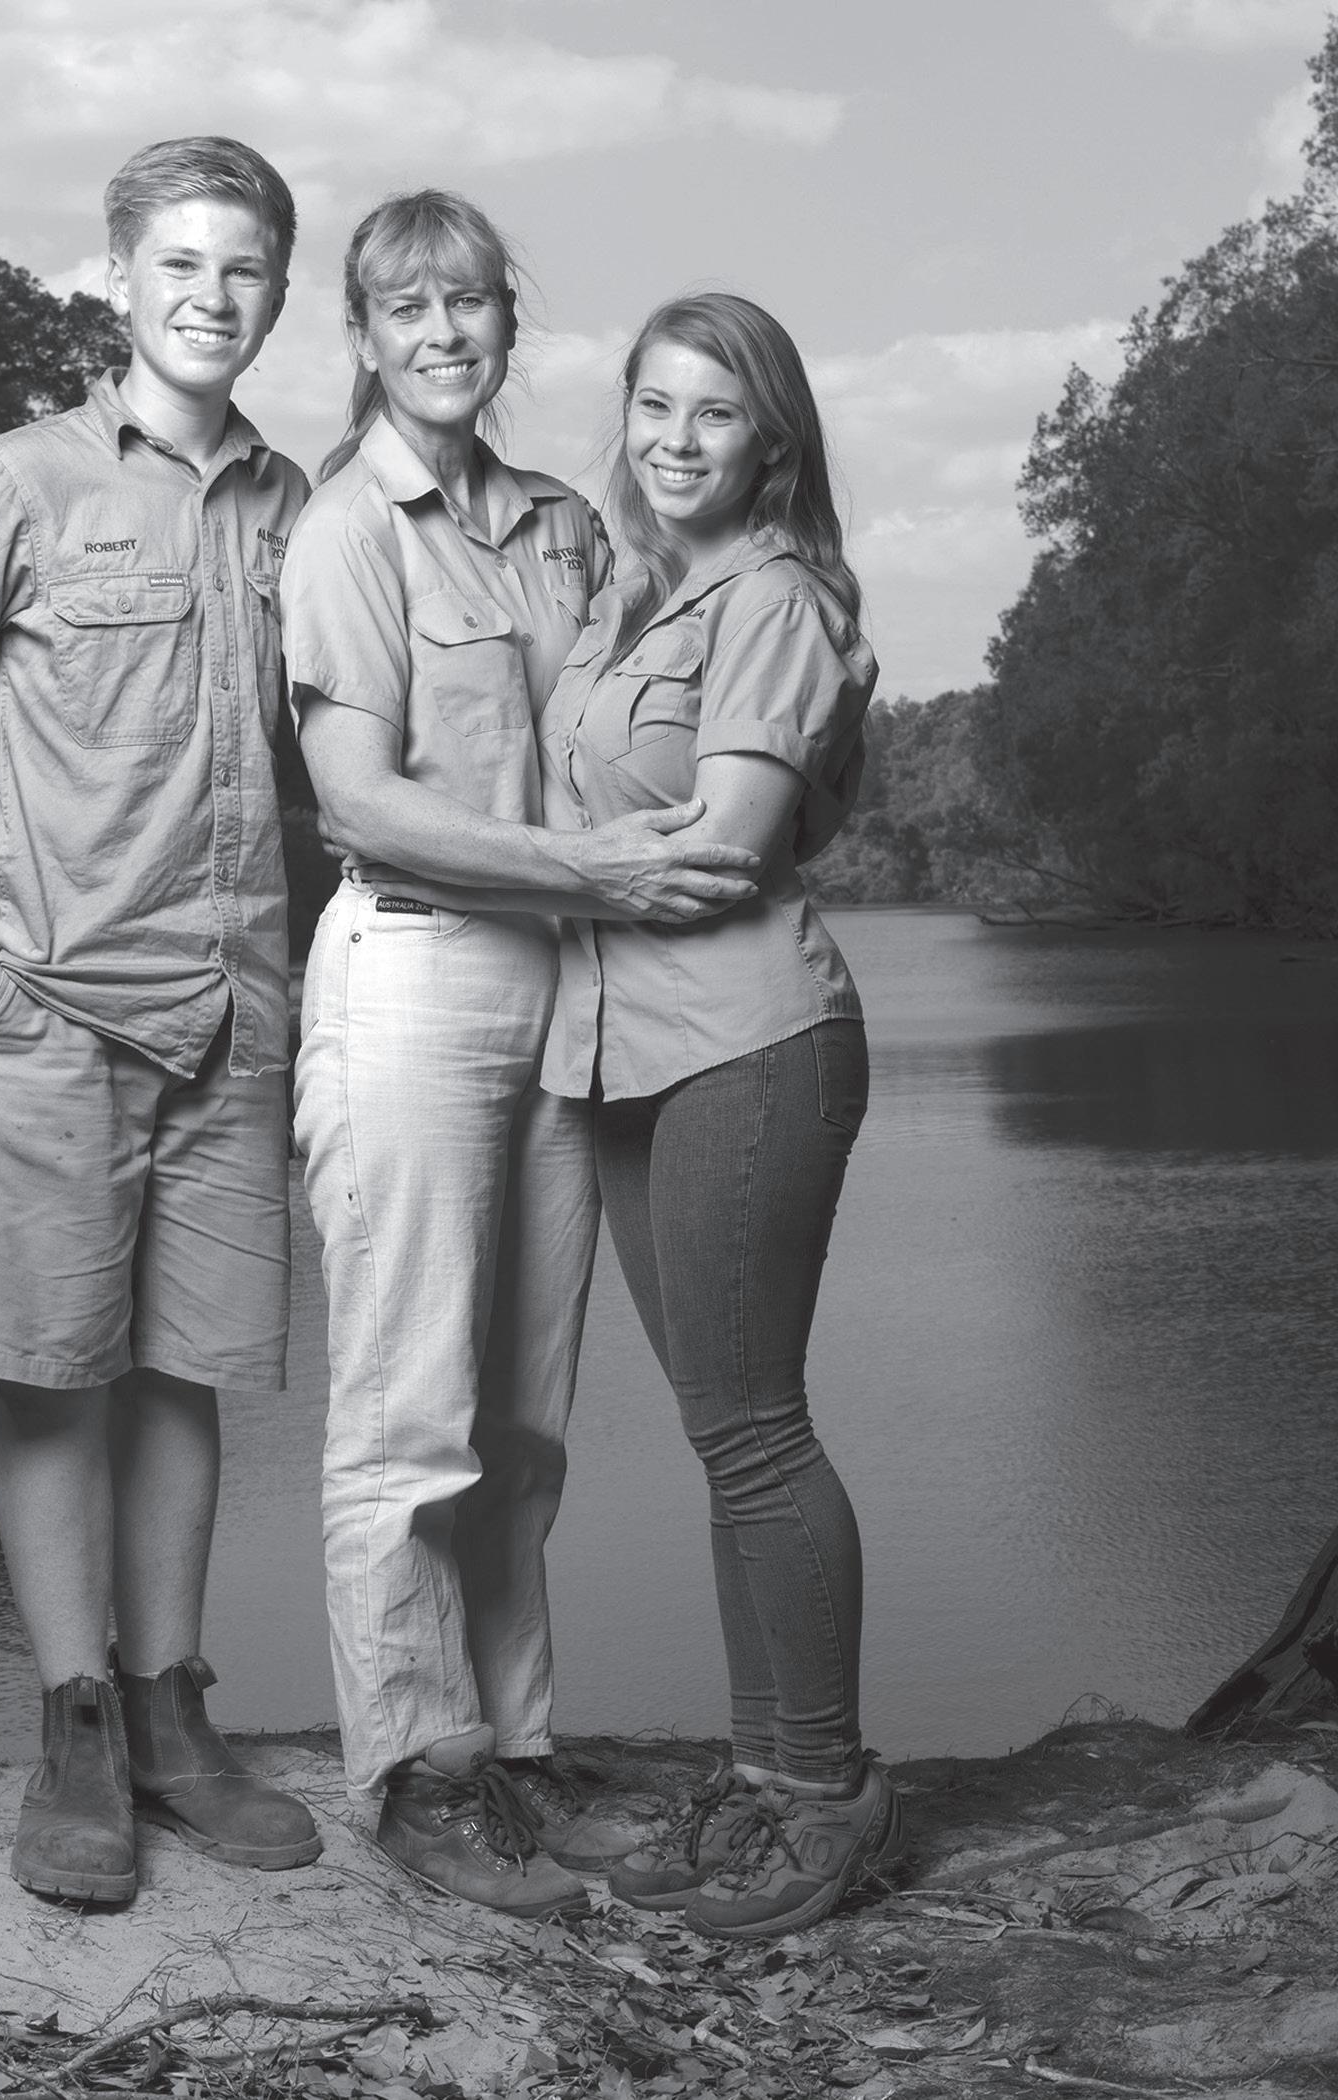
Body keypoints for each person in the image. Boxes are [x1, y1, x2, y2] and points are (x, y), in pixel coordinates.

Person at [0, 137, 321, 1906]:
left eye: (244, 267)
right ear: (118, 279)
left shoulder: (295, 503)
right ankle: (77, 1730)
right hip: (46, 1007)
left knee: (188, 1375)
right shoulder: (18, 482)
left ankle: (175, 1713)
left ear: (279, 292)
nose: (211, 295)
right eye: (180, 262)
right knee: (50, 1377)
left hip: (233, 1013)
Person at [280, 195, 759, 1920]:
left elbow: (645, 717)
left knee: (524, 1420)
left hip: (565, 985)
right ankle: (417, 1773)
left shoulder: (564, 524)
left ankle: (519, 1749)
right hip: (413, 976)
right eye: (407, 307)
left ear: (505, 321)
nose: (444, 334)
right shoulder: (346, 529)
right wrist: (593, 870)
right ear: (363, 333)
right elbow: (358, 802)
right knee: (406, 1412)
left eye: (470, 302)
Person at [534, 291, 902, 1939]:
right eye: (655, 407)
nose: (677, 441)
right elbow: (627, 826)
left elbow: (729, 848)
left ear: (773, 442)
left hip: (751, 1046)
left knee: (757, 1429)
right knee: (720, 1436)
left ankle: (828, 1795)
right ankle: (759, 1779)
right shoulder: (634, 602)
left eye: (716, 412)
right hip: (629, 1054)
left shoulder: (775, 603)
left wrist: (503, 867)